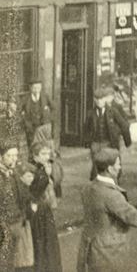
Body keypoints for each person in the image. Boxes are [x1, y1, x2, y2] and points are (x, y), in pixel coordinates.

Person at [77, 148, 137, 272]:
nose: (120, 168)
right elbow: (136, 219)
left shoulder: (88, 188)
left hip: (90, 249)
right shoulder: (111, 194)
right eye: (118, 164)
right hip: (108, 252)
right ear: (109, 168)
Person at [82, 89, 131, 181]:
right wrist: (88, 142)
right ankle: (95, 185)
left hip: (108, 143)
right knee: (96, 165)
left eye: (101, 99)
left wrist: (116, 133)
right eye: (97, 99)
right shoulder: (91, 113)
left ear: (105, 99)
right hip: (96, 143)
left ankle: (113, 184)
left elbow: (124, 125)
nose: (99, 101)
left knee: (110, 166)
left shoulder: (113, 112)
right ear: (94, 100)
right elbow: (86, 128)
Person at [28, 141, 61, 272]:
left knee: (49, 243)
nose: (46, 156)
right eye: (43, 153)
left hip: (46, 209)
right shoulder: (32, 170)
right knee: (41, 243)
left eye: (48, 153)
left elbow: (56, 184)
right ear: (35, 156)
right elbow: (33, 192)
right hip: (38, 210)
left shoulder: (46, 168)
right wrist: (45, 176)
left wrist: (49, 173)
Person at [0, 140, 33, 271]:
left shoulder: (15, 173)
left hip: (16, 223)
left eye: (15, 155)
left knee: (12, 262)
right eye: (10, 156)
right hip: (4, 226)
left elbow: (23, 197)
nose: (14, 159)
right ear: (1, 157)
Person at [22, 80, 53, 148]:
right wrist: (25, 120)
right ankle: (31, 158)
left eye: (38, 88)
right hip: (31, 127)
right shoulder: (26, 98)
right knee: (32, 145)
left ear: (41, 87)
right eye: (34, 88)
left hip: (43, 126)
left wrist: (48, 117)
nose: (36, 90)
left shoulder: (45, 96)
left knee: (43, 146)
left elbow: (53, 108)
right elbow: (20, 110)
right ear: (30, 88)